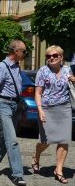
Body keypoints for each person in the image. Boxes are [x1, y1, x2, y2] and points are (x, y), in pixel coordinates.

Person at [0, 39, 27, 186]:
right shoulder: (2, 67)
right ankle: (17, 174)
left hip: (15, 105)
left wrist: (22, 111)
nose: (25, 53)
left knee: (6, 139)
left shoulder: (17, 66)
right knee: (13, 141)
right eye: (23, 51)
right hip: (3, 105)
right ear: (15, 51)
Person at [32, 45, 73, 184]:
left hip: (65, 108)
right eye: (48, 56)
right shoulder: (42, 71)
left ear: (61, 57)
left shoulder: (68, 70)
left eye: (54, 55)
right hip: (47, 108)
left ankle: (59, 170)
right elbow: (38, 93)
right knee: (46, 140)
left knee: (64, 139)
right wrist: (40, 109)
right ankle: (36, 157)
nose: (51, 58)